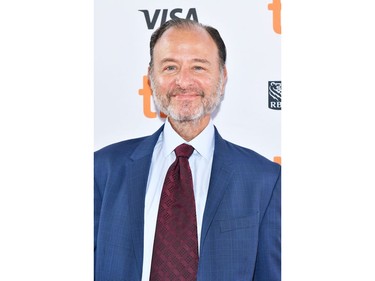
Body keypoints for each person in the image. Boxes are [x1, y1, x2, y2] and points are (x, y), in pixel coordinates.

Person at [94, 18, 281, 281]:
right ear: (151, 77)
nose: (183, 81)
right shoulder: (102, 170)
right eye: (170, 67)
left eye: (198, 67)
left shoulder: (265, 180)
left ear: (222, 77)